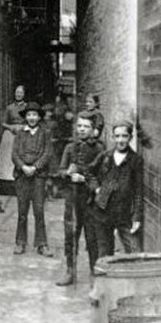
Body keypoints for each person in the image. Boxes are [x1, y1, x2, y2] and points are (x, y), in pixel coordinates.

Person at [55, 111, 105, 286]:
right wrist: (68, 175)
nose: (82, 129)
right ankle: (70, 271)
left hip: (91, 200)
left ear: (93, 129)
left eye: (86, 126)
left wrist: (85, 179)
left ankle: (94, 273)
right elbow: (60, 171)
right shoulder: (70, 148)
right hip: (72, 199)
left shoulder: (100, 148)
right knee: (71, 235)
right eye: (80, 126)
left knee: (92, 237)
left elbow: (104, 175)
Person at [87, 120, 143, 259]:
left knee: (134, 251)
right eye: (117, 136)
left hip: (124, 213)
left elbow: (138, 190)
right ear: (112, 137)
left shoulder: (136, 160)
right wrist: (96, 189)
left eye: (124, 136)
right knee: (104, 253)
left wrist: (136, 217)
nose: (120, 140)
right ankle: (104, 280)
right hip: (103, 211)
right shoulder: (105, 156)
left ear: (130, 137)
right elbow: (89, 173)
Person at [11, 102, 53, 256]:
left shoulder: (45, 133)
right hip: (22, 175)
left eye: (35, 115)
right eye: (29, 115)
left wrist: (35, 167)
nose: (32, 118)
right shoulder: (20, 133)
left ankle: (42, 244)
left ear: (39, 117)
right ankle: (20, 242)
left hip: (38, 176)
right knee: (22, 211)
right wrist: (23, 167)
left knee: (39, 210)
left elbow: (47, 153)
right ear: (25, 117)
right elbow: (14, 154)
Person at [0, 84, 27, 195]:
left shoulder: (27, 107)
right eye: (17, 92)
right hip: (11, 133)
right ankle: (6, 182)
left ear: (24, 94)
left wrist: (22, 127)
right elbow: (3, 122)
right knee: (7, 157)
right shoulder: (9, 108)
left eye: (21, 93)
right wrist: (11, 127)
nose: (18, 94)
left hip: (23, 133)